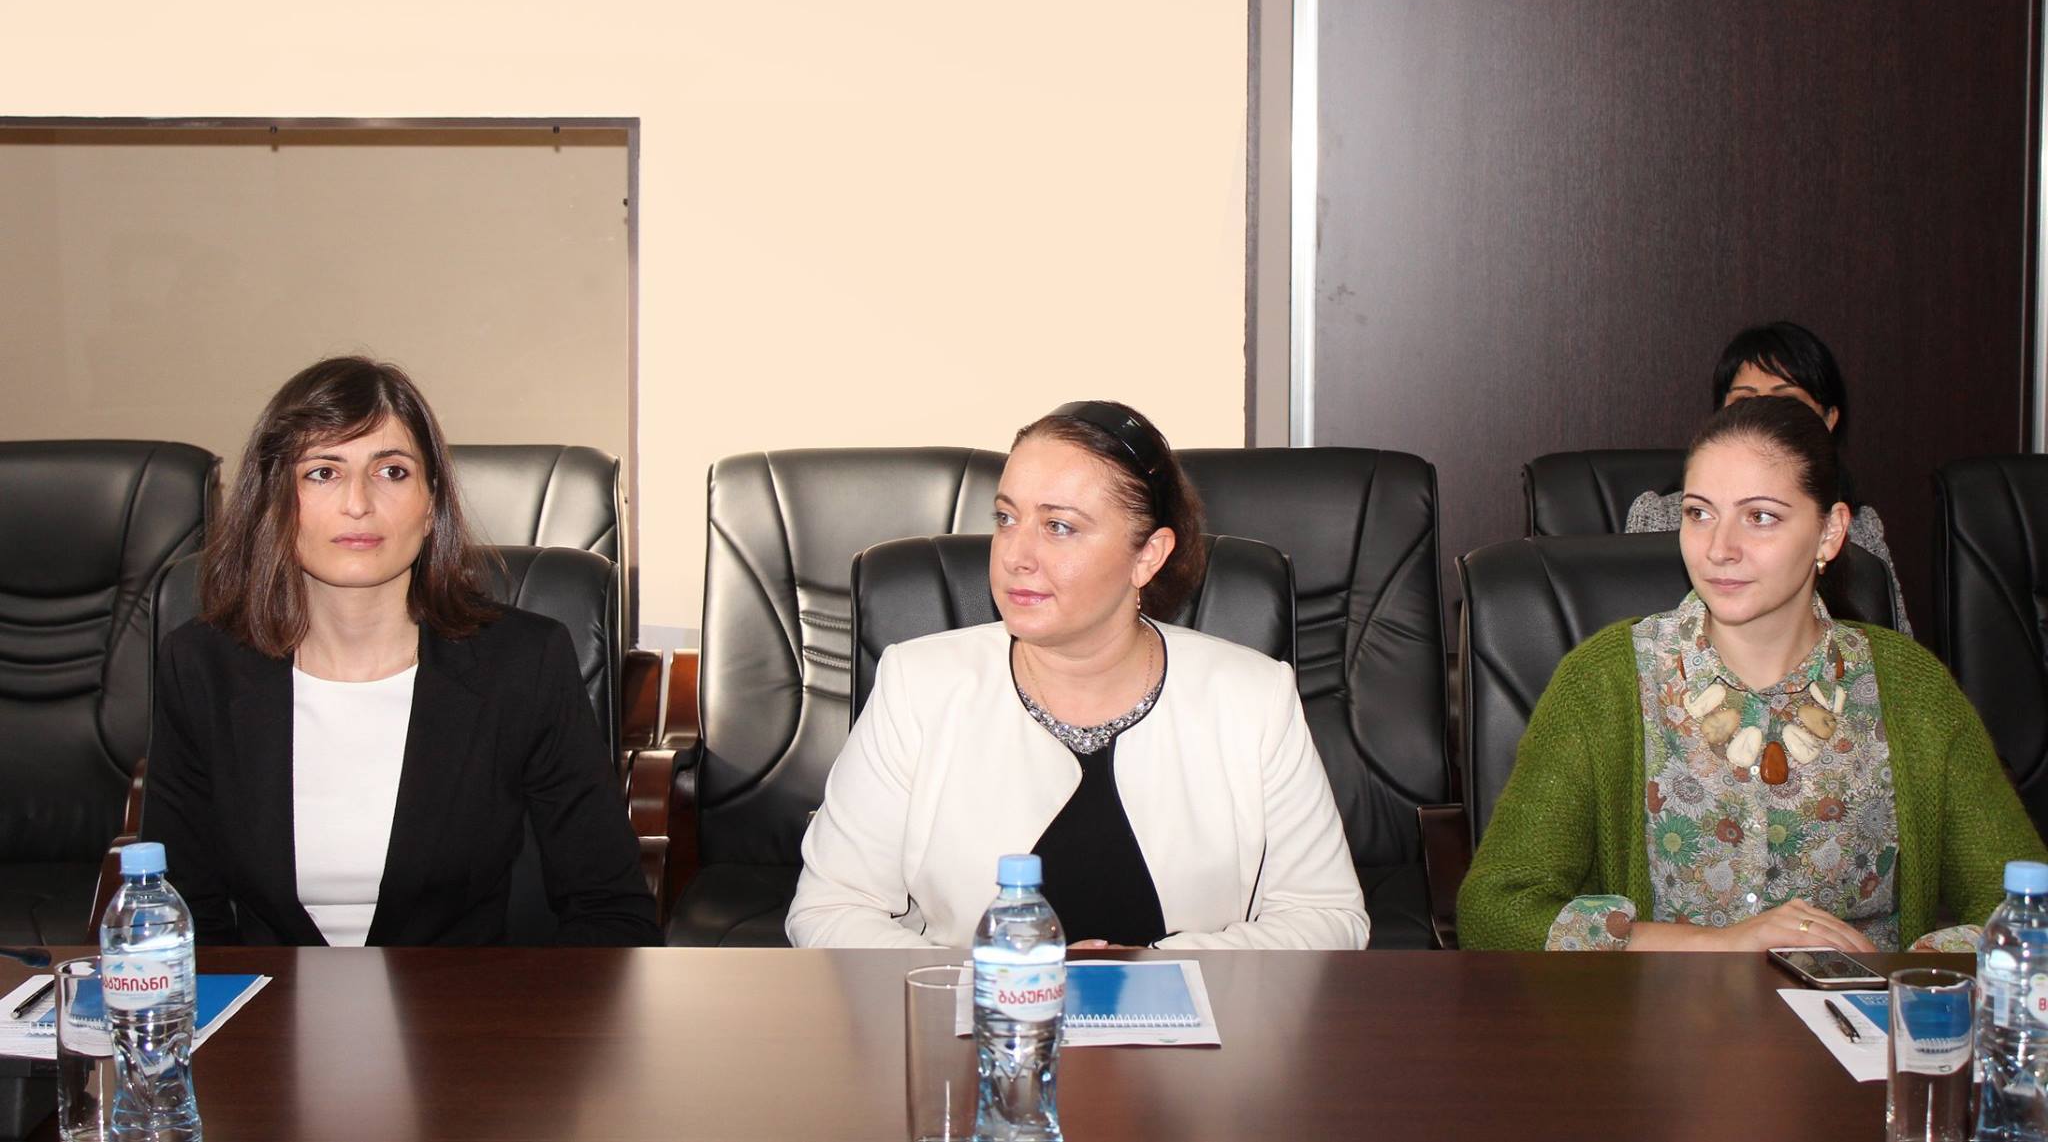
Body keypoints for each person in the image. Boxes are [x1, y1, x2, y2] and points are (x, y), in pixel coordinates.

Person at [1460, 396, 2044, 952]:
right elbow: (1494, 909)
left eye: (1760, 517)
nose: (1719, 548)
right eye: (1699, 514)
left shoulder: (1911, 688)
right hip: (1664, 1018)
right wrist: (1715, 946)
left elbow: (2026, 911)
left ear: (1830, 532)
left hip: (1859, 1020)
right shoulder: (1604, 681)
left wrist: (1900, 978)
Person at [786, 400, 1368, 949]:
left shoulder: (1253, 697)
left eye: (1059, 526)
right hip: (977, 1018)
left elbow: (1327, 916)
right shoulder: (918, 685)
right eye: (1006, 518)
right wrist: (998, 979)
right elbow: (830, 908)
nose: (1015, 555)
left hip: (1193, 1022)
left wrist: (1156, 972)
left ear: (1148, 555)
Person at [142, 356, 660, 946]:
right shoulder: (202, 667)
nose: (358, 503)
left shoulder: (523, 664)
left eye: (391, 472)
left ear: (431, 502)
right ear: (273, 501)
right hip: (269, 1001)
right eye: (322, 473)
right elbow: (180, 913)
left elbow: (611, 912)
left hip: (464, 1000)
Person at [1625, 321, 1910, 634]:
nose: (1765, 416)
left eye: (1786, 401)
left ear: (1829, 419)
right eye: (1745, 402)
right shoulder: (1658, 515)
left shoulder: (1860, 527)